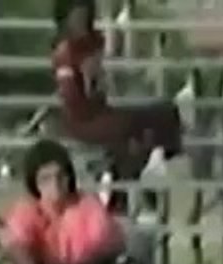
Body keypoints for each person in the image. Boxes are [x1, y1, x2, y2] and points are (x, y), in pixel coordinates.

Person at [52, 0, 183, 183]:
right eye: (76, 18)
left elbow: (107, 78)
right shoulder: (65, 53)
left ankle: (154, 162)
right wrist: (88, 81)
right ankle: (126, 181)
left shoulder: (94, 43)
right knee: (130, 126)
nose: (80, 23)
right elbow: (74, 100)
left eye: (83, 17)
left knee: (165, 111)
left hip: (101, 111)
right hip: (84, 120)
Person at [2, 138, 125, 264]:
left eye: (61, 176)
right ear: (35, 183)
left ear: (69, 177)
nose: (55, 184)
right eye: (46, 179)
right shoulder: (28, 209)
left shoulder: (87, 205)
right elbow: (17, 247)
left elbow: (109, 242)